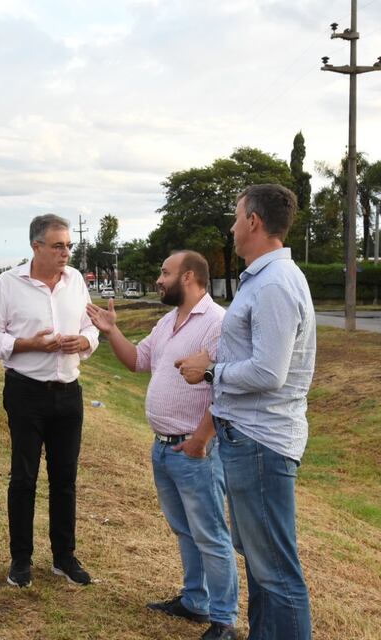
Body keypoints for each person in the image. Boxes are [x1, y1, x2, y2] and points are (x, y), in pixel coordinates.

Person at [176, 184, 316, 640]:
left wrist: (210, 371)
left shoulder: (275, 282)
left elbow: (269, 372)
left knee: (277, 571)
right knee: (261, 566)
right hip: (251, 438)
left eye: (236, 218)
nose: (232, 228)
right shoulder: (263, 277)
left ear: (254, 221)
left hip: (262, 442)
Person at [85, 250, 238, 640]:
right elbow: (138, 361)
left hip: (194, 450)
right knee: (185, 531)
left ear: (188, 277)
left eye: (164, 272)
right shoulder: (169, 320)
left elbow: (227, 389)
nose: (158, 279)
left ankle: (224, 620)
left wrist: (201, 440)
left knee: (210, 534)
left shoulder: (218, 324)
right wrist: (111, 331)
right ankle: (194, 601)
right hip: (165, 448)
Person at [0, 214, 99, 589]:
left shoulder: (76, 280)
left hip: (69, 392)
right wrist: (31, 344)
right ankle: (21, 560)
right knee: (24, 478)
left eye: (68, 246)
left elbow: (91, 325)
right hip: (26, 391)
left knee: (65, 479)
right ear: (36, 247)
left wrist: (86, 342)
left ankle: (64, 557)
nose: (66, 252)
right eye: (58, 245)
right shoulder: (9, 283)